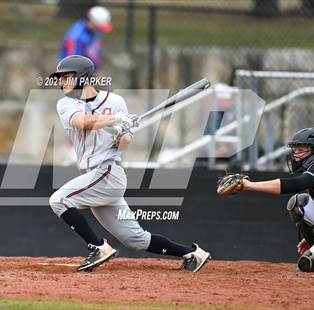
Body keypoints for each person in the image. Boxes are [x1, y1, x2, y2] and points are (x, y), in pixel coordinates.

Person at [48, 55, 210, 272]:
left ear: (83, 78)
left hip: (107, 173)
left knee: (59, 200)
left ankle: (98, 247)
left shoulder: (115, 102)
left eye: (66, 77)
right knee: (136, 240)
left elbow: (124, 144)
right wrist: (116, 120)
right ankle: (192, 253)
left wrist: (122, 133)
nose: (61, 82)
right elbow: (83, 122)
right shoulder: (66, 103)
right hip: (94, 178)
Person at [219, 126, 314, 273]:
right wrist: (312, 238)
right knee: (299, 203)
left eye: (302, 149)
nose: (296, 155)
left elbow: (294, 184)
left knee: (312, 262)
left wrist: (248, 185)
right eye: (296, 149)